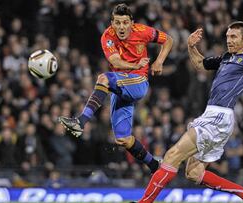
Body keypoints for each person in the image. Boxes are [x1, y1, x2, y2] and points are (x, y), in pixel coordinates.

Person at [135, 21, 243, 203]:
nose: (229, 40)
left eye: (233, 37)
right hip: (213, 116)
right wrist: (191, 46)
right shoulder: (227, 57)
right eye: (227, 37)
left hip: (219, 116)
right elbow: (200, 64)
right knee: (194, 173)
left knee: (171, 155)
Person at [58, 3, 173, 173]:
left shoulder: (143, 31)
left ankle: (81, 121)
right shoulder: (107, 36)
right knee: (123, 140)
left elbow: (168, 40)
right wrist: (134, 65)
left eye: (125, 22)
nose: (121, 27)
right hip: (121, 85)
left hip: (138, 82)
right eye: (117, 22)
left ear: (132, 23)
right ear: (112, 23)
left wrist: (159, 61)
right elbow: (115, 62)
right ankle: (154, 165)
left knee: (103, 78)